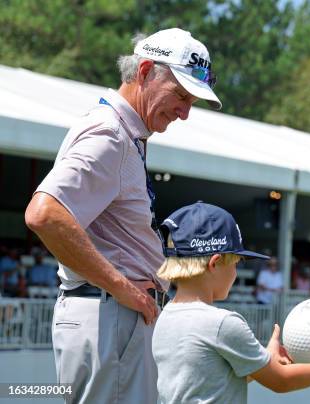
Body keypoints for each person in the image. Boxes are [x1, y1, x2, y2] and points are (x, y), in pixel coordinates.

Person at [24, 28, 222, 403]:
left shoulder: (122, 133)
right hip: (108, 313)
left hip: (110, 314)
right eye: (181, 95)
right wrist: (122, 287)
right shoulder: (110, 134)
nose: (184, 112)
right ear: (145, 70)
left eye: (192, 101)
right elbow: (45, 214)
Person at [152, 202, 310, 403]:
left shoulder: (165, 316)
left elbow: (212, 379)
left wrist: (264, 360)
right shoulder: (223, 324)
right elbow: (281, 381)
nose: (236, 272)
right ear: (215, 264)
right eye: (236, 263)